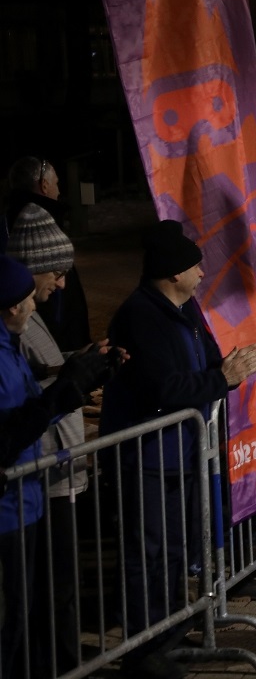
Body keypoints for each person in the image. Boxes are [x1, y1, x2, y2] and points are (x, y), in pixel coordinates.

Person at [101, 220, 256, 678]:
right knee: (147, 554)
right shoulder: (141, 316)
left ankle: (170, 631)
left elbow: (209, 365)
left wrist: (239, 365)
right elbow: (165, 386)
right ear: (172, 273)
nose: (201, 271)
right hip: (147, 457)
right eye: (193, 264)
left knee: (175, 550)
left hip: (184, 452)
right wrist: (222, 377)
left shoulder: (186, 309)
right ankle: (143, 648)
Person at [0, 255, 118, 678]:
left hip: (28, 500)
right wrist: (66, 389)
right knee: (13, 621)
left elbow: (33, 401)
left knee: (26, 614)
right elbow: (12, 431)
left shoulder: (10, 345)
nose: (35, 309)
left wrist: (76, 375)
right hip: (9, 511)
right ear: (13, 305)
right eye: (30, 300)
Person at [7, 204, 89, 670]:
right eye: (55, 273)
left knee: (53, 592)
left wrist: (79, 368)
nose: (59, 285)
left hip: (47, 477)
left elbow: (43, 374)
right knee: (39, 597)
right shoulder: (15, 324)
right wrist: (68, 380)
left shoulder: (29, 319)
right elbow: (28, 396)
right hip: (32, 482)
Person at [5, 156, 91, 351]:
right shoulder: (43, 223)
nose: (59, 191)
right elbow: (59, 308)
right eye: (57, 184)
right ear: (44, 185)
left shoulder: (6, 222)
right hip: (54, 347)